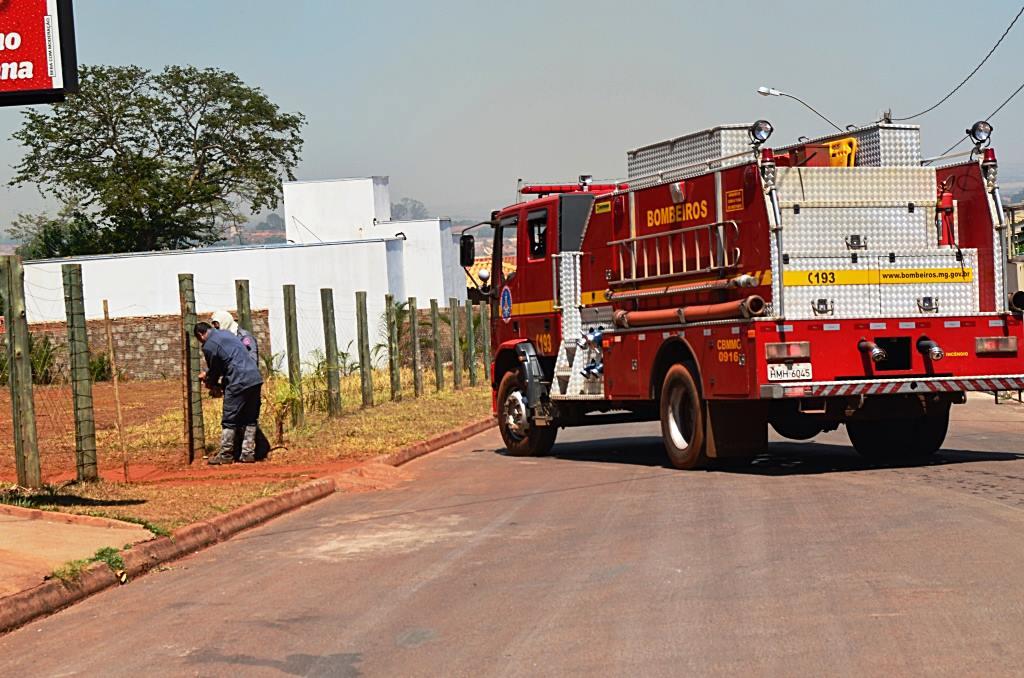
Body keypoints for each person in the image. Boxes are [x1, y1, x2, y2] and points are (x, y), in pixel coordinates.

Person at [194, 321, 263, 465]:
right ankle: (248, 453)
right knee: (250, 417)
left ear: (201, 335)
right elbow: (230, 358)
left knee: (229, 418)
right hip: (255, 378)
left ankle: (226, 454)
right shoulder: (227, 334)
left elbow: (216, 368)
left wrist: (209, 381)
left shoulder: (209, 345)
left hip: (238, 380)